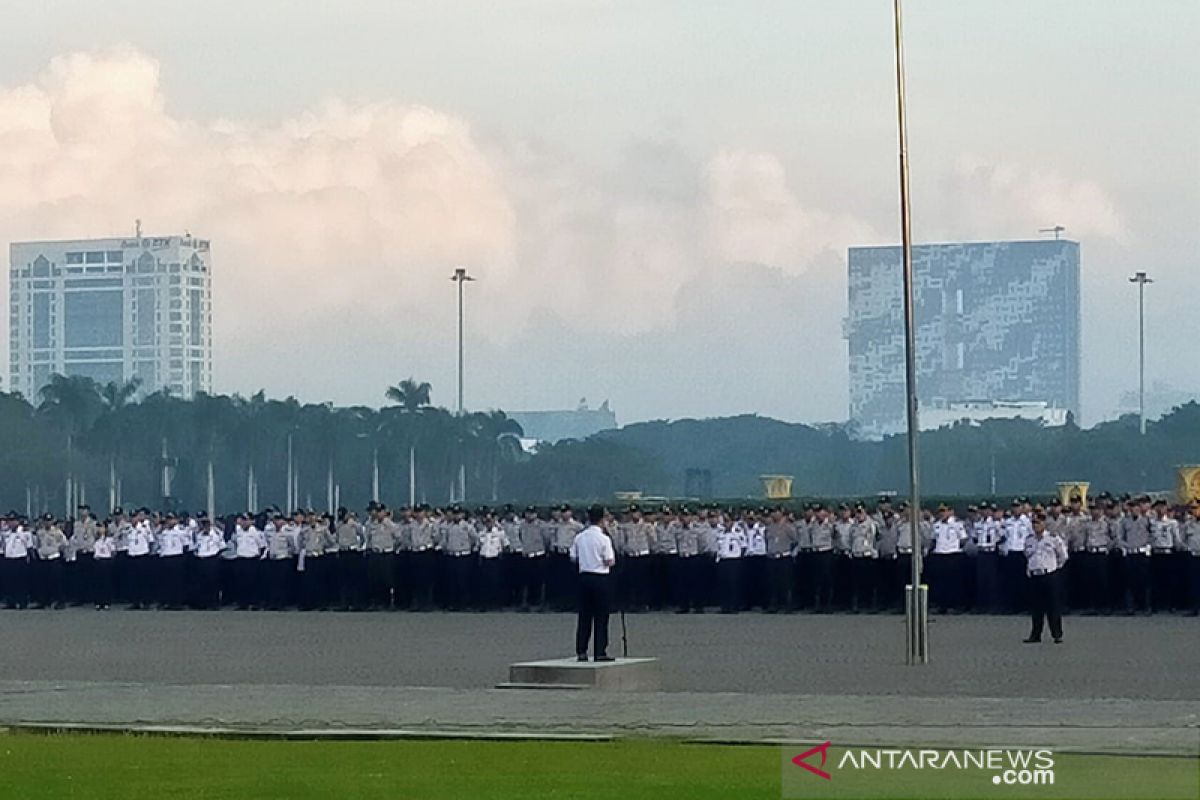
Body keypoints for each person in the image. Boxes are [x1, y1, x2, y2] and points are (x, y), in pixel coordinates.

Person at [570, 505, 616, 662]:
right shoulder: (604, 538)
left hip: (584, 577)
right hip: (600, 578)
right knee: (601, 617)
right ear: (602, 519)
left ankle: (581, 650)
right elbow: (610, 561)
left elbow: (573, 558)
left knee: (584, 616)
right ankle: (599, 651)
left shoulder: (580, 537)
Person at [1023, 514, 1068, 644]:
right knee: (1036, 608)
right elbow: (1027, 555)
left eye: (1038, 523)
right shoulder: (1029, 540)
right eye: (1033, 523)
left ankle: (1057, 634)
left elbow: (1063, 556)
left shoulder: (1053, 539)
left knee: (1053, 606)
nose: (1035, 526)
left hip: (1049, 575)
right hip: (1035, 575)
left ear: (1044, 524)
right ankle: (1035, 634)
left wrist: (1054, 568)